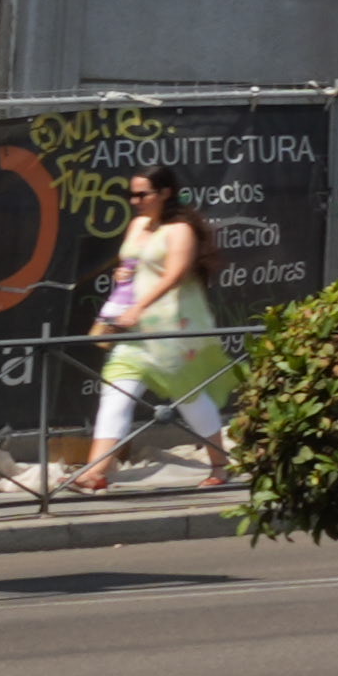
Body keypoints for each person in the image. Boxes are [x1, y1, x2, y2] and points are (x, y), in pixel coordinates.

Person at [78, 165, 230, 491]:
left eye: (142, 194)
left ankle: (219, 464)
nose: (135, 200)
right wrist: (124, 276)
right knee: (116, 395)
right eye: (131, 194)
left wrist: (139, 307)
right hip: (134, 332)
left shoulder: (181, 230)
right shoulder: (137, 225)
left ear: (165, 193)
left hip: (172, 328)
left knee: (190, 399)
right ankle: (95, 472)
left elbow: (175, 274)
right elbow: (134, 263)